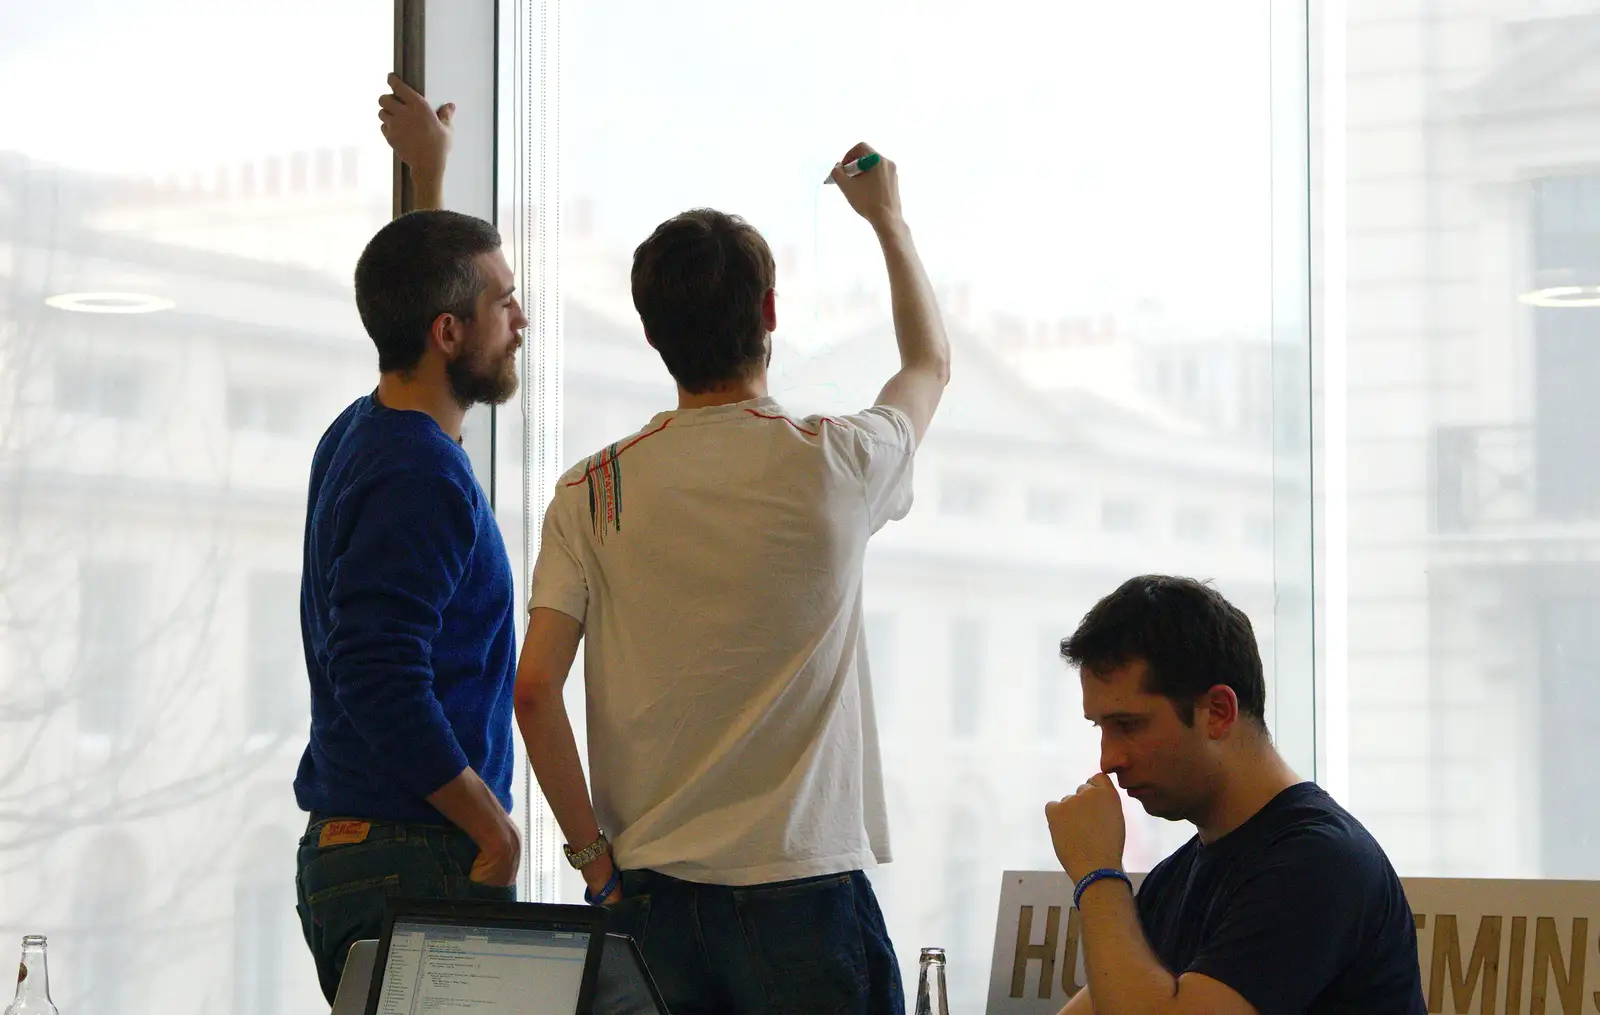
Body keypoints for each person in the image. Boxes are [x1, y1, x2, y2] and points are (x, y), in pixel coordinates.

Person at [512, 146, 951, 1014]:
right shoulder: (835, 460)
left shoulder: (591, 490)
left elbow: (533, 692)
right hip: (805, 892)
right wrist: (889, 222)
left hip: (651, 901)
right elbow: (929, 365)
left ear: (651, 333)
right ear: (771, 312)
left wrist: (593, 860)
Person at [292, 74, 524, 1003]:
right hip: (410, 852)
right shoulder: (419, 474)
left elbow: (424, 288)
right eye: (506, 304)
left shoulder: (366, 429)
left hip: (376, 848)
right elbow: (380, 671)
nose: (522, 322)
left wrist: (432, 174)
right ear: (447, 331)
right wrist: (494, 831)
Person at [1044, 576, 1426, 1015]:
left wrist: (1098, 875)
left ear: (1219, 712)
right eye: (1101, 728)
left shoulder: (1319, 861)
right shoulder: (1177, 878)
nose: (1108, 759)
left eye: (1128, 725)